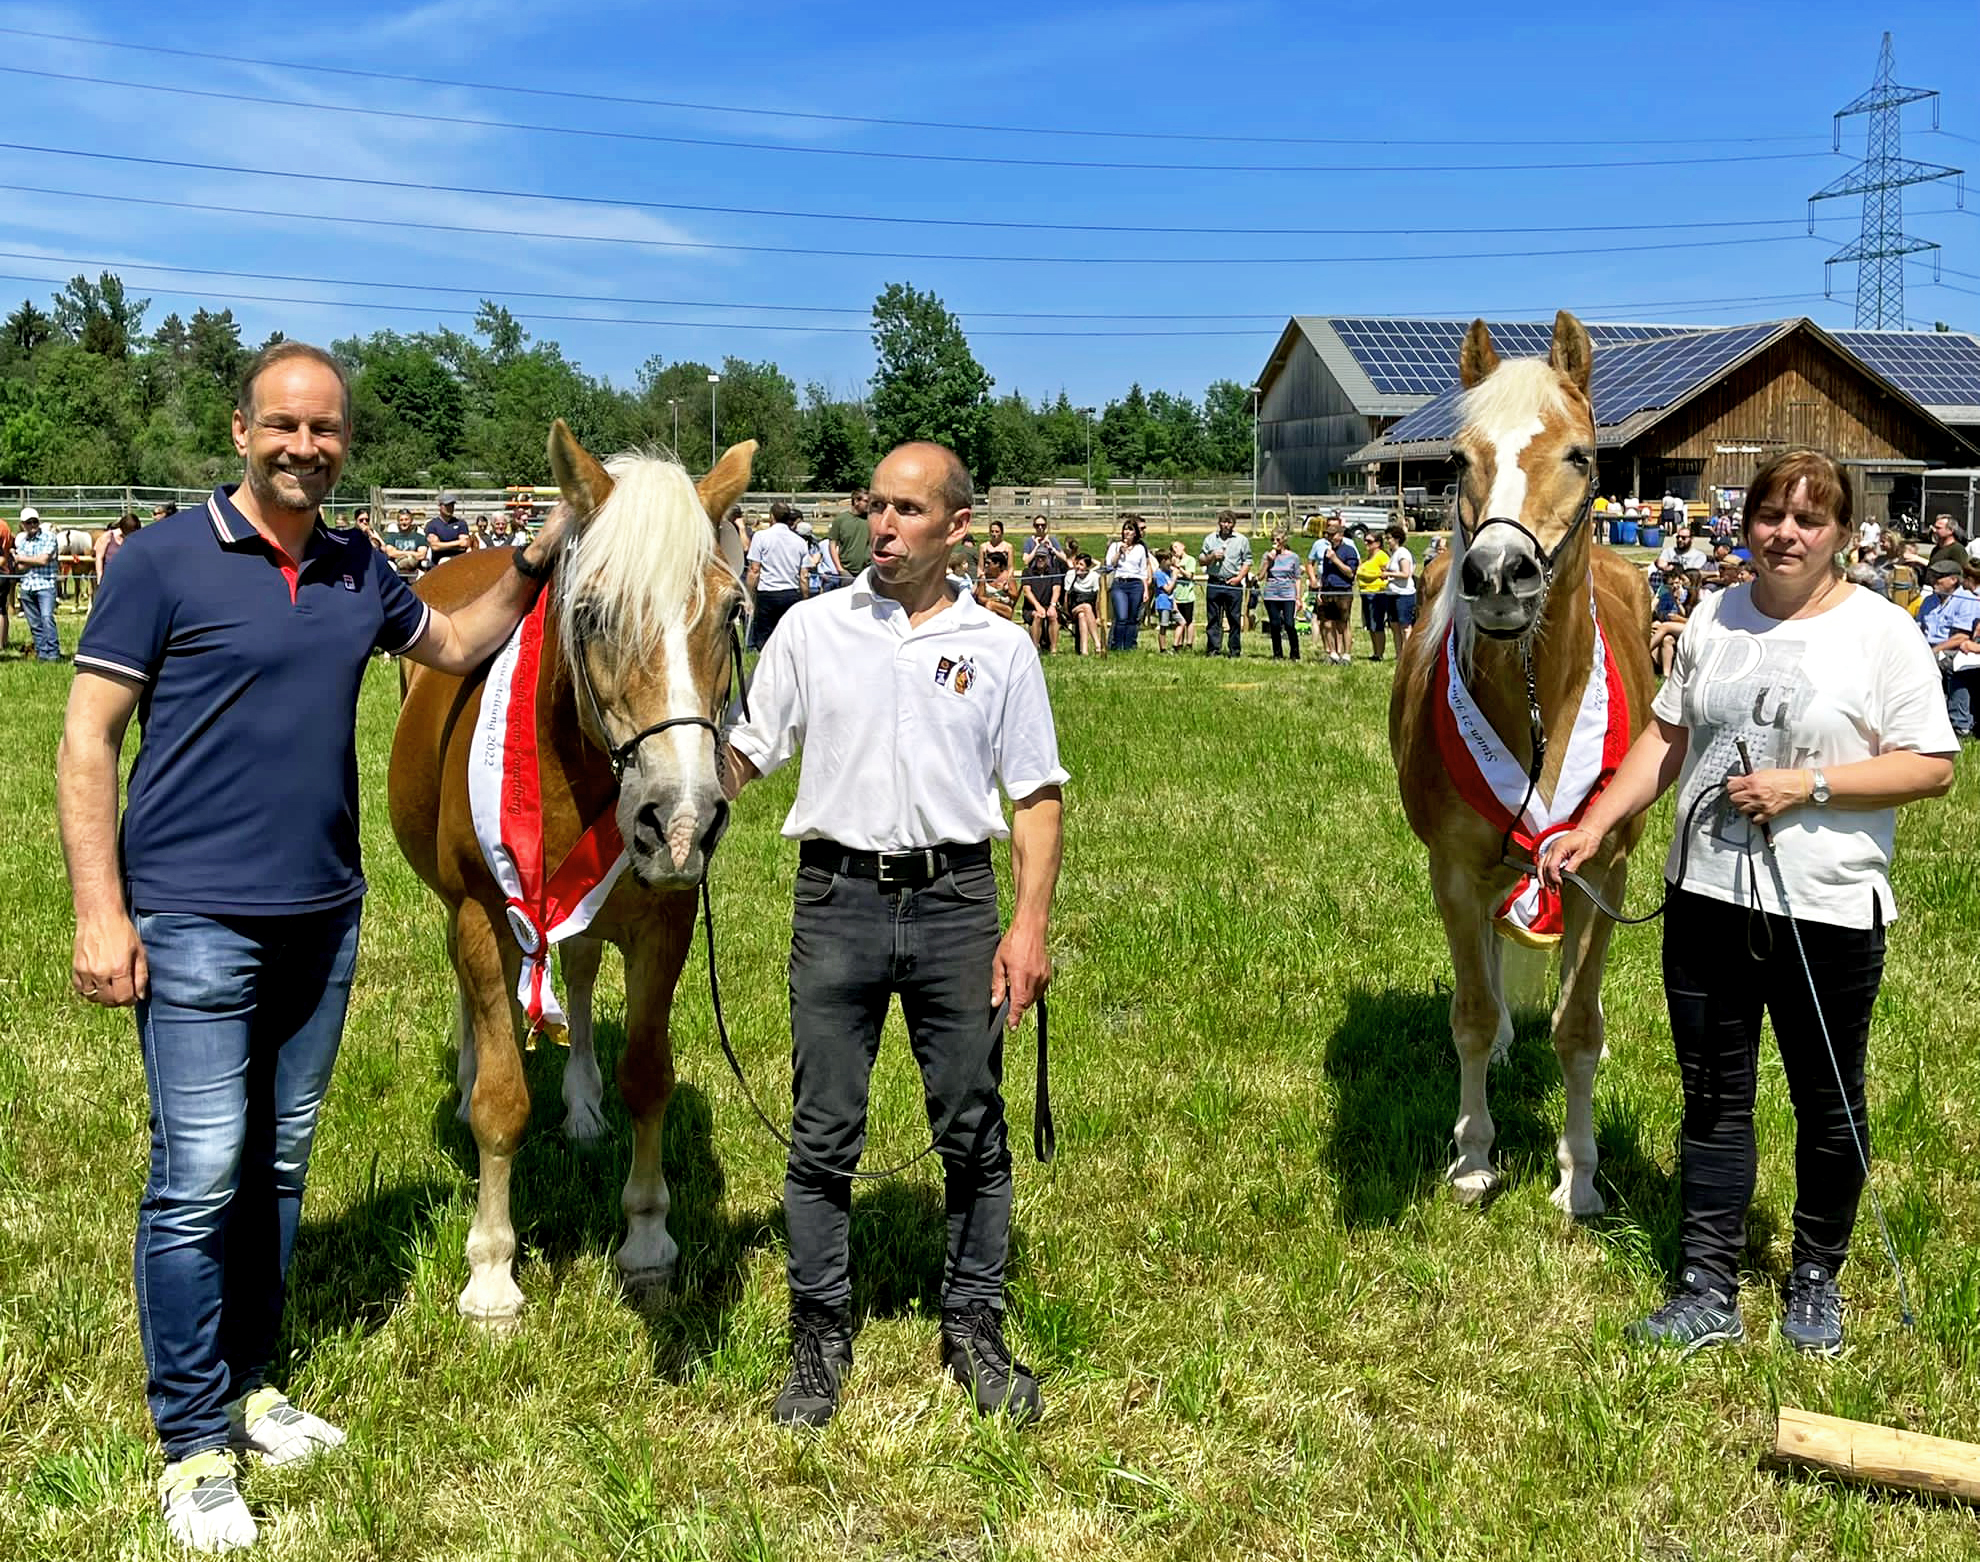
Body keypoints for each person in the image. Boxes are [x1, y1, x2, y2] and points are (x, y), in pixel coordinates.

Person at [58, 341, 586, 1551]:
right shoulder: (160, 561)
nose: (306, 446)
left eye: (327, 429)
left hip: (322, 912)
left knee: (279, 1165)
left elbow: (457, 642)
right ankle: (193, 1441)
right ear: (241, 430)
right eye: (286, 425)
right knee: (199, 1172)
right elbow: (88, 738)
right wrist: (100, 908)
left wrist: (539, 553)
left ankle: (251, 1383)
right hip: (190, 913)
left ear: (347, 442)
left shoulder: (358, 569)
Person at [1539, 448, 1957, 1358]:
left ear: (1842, 534)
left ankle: (1815, 1277)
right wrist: (1594, 822)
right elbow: (1666, 736)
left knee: (1826, 1100)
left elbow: (1932, 766)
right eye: (1772, 515)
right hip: (1704, 898)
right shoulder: (1715, 616)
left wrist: (1807, 785)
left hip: (1826, 911)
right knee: (1712, 1097)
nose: (1787, 534)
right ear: (1747, 522)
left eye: (1810, 519)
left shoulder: (1882, 633)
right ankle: (1707, 1285)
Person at [722, 439, 1066, 1430]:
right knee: (823, 1130)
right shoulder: (811, 629)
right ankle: (818, 1337)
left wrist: (1028, 925)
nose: (883, 525)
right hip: (837, 903)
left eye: (908, 510)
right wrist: (685, 796)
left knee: (972, 1125)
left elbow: (1035, 796)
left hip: (957, 904)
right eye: (875, 505)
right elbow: (748, 750)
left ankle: (974, 1325)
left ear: (959, 527)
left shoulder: (1001, 646)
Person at [1918, 557, 1980, 738]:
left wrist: (1933, 652)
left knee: (1944, 666)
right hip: (1927, 648)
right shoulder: (1929, 601)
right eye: (1932, 576)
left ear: (1953, 580)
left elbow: (1962, 636)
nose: (1933, 581)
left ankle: (1958, 723)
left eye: (1938, 577)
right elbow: (1918, 628)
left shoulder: (1966, 600)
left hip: (1951, 648)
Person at [745, 501, 809, 649]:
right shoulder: (800, 541)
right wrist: (805, 598)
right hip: (790, 593)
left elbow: (754, 570)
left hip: (767, 593)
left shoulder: (761, 537)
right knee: (788, 638)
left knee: (765, 639)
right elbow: (804, 576)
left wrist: (748, 595)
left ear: (772, 517)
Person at [1199, 510, 1251, 658]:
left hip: (1233, 583)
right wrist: (1212, 556)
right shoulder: (1210, 539)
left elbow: (1247, 561)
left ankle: (1234, 650)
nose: (1226, 525)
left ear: (1233, 524)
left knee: (1234, 618)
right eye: (1223, 522)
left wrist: (1239, 578)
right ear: (1219, 523)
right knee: (1213, 618)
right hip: (1215, 582)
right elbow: (1201, 560)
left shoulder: (1241, 540)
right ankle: (1213, 649)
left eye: (1229, 522)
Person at [1307, 516, 1358, 665]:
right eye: (1327, 534)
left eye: (1332, 534)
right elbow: (1325, 573)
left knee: (1343, 624)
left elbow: (1350, 573)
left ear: (1340, 535)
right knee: (1327, 623)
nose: (1329, 537)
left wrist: (1335, 559)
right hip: (1327, 590)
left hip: (1342, 591)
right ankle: (1333, 653)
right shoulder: (1326, 551)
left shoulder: (1349, 551)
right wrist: (1320, 591)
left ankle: (1346, 655)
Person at [16, 507, 63, 661]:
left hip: (45, 584)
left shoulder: (49, 537)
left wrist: (21, 558)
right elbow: (20, 567)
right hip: (27, 585)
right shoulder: (22, 541)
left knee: (47, 618)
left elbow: (43, 560)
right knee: (34, 623)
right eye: (28, 522)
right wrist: (28, 561)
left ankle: (53, 653)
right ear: (23, 524)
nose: (32, 525)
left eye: (35, 521)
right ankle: (42, 653)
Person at [1103, 515, 1151, 652]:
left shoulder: (1140, 548)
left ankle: (1129, 646)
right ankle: (1118, 646)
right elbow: (1110, 565)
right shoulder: (1115, 546)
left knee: (1132, 618)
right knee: (1121, 616)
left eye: (1130, 530)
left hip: (1136, 584)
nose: (1127, 532)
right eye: (1125, 529)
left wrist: (1145, 590)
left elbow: (1143, 571)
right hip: (1120, 583)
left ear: (1135, 533)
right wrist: (1119, 552)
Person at [1020, 520, 1065, 653]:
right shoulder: (1028, 572)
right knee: (1038, 615)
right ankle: (1034, 649)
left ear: (1047, 558)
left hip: (1048, 604)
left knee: (1053, 615)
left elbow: (1056, 589)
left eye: (1043, 557)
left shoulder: (1054, 572)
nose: (1040, 559)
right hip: (1031, 608)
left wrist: (1052, 605)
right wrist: (1038, 606)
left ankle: (1053, 649)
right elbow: (1027, 592)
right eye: (1038, 557)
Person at [1259, 528, 1301, 661]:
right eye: (1273, 540)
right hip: (1271, 594)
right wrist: (1268, 561)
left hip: (1288, 594)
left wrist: (1298, 597)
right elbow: (1260, 576)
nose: (1275, 542)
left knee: (1289, 624)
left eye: (1278, 540)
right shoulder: (1267, 555)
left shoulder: (1293, 557)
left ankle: (1295, 653)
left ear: (1284, 540)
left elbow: (1297, 578)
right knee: (1275, 624)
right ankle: (1277, 653)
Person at [1355, 526, 1391, 662]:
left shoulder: (1382, 556)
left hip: (1377, 594)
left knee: (1377, 624)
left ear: (1378, 543)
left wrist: (1374, 575)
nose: (1366, 543)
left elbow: (1387, 573)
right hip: (1365, 593)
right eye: (1365, 541)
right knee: (1370, 625)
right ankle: (1375, 652)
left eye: (1369, 541)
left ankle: (1379, 653)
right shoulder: (1369, 556)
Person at [1383, 522, 1418, 647]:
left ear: (1397, 539)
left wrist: (1387, 574)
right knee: (1394, 625)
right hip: (1392, 593)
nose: (1387, 541)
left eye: (1389, 538)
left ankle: (1408, 653)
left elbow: (1406, 573)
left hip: (1403, 594)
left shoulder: (1403, 553)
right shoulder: (1393, 553)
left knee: (1405, 627)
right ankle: (1399, 654)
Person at [828, 489, 871, 585]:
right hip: (847, 571)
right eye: (866, 501)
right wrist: (840, 569)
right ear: (856, 501)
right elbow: (832, 545)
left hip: (868, 570)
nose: (869, 504)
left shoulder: (872, 519)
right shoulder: (841, 520)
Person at [1066, 552, 1103, 655]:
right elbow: (1066, 597)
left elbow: (1097, 599)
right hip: (1073, 609)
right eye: (1077, 563)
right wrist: (1067, 615)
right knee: (1086, 607)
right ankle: (1097, 643)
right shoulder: (1070, 575)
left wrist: (1098, 616)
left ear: (1087, 567)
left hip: (1087, 611)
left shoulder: (1094, 576)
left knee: (1082, 615)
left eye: (1081, 564)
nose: (1078, 566)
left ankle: (1084, 651)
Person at [422, 492, 470, 571]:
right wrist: (457, 544)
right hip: (438, 564)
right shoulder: (432, 525)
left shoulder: (461, 523)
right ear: (440, 506)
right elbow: (435, 546)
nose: (450, 508)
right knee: (444, 561)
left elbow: (464, 543)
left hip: (459, 561)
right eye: (447, 505)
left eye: (452, 505)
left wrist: (442, 545)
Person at [975, 545, 1021, 621]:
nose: (986, 565)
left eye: (988, 563)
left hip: (1005, 608)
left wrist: (1006, 591)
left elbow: (1015, 596)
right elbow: (980, 598)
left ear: (997, 564)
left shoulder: (1008, 577)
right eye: (985, 563)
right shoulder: (983, 578)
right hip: (988, 607)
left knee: (990, 605)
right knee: (990, 605)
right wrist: (991, 599)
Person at [1168, 541, 1196, 650]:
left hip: (1187, 596)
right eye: (1173, 548)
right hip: (1176, 596)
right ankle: (1178, 644)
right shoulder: (1172, 561)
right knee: (1179, 622)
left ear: (1183, 546)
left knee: (1188, 621)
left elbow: (1189, 575)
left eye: (1176, 547)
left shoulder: (1190, 560)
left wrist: (1179, 567)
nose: (1175, 550)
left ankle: (1189, 644)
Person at [383, 509, 426, 580]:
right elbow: (391, 553)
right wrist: (411, 554)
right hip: (396, 568)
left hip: (414, 569)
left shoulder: (419, 537)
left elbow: (421, 555)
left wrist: (399, 553)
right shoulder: (392, 536)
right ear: (398, 521)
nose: (404, 522)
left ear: (411, 521)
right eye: (401, 520)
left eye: (406, 519)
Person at [97, 512, 140, 580]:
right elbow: (99, 557)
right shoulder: (108, 536)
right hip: (110, 577)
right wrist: (99, 577)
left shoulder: (137, 539)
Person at [1150, 552, 1178, 653]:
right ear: (1163, 561)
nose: (1171, 562)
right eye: (1169, 560)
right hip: (1163, 603)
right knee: (1164, 626)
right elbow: (1168, 590)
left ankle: (1176, 645)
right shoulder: (1158, 574)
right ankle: (1163, 649)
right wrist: (1174, 578)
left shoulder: (1167, 572)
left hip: (1170, 603)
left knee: (1182, 622)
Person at [0, 507, 14, 653]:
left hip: (1, 570)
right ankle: (2, 642)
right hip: (5, 570)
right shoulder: (4, 526)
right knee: (1, 608)